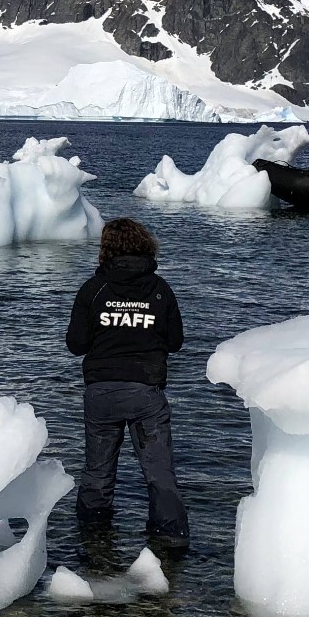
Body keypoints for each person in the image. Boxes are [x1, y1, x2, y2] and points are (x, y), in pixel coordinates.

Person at [65, 217, 190, 555]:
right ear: (145, 245)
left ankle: (93, 540)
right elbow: (176, 341)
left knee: (97, 472)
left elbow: (75, 344)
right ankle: (172, 541)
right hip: (146, 393)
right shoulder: (160, 289)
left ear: (106, 249)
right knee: (159, 472)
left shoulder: (94, 289)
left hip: (102, 392)